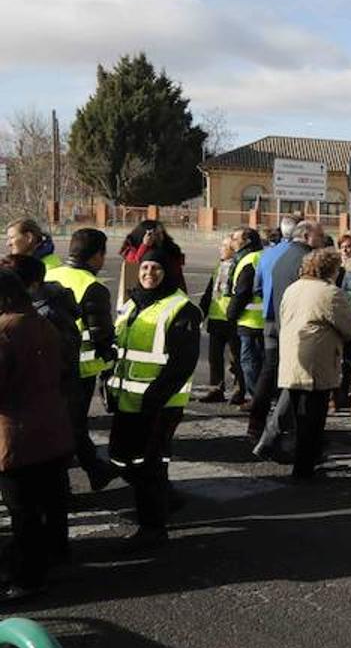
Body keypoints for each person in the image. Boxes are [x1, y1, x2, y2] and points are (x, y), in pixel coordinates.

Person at [107, 247, 202, 548]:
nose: (149, 273)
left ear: (169, 272)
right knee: (121, 458)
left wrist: (155, 397)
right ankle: (165, 499)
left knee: (149, 466)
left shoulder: (181, 308)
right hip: (126, 401)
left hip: (160, 405)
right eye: (145, 267)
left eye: (157, 269)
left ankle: (153, 527)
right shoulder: (132, 303)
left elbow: (183, 363)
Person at [0, 267, 73, 601]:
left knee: (23, 512)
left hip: (16, 435)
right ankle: (53, 563)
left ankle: (28, 579)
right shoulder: (44, 324)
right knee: (49, 504)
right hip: (52, 428)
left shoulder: (5, 330)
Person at [44, 229, 118, 490]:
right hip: (79, 369)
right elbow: (101, 334)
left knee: (58, 424)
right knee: (72, 425)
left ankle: (94, 469)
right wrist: (111, 356)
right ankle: (65, 484)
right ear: (97, 255)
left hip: (44, 363)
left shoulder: (49, 275)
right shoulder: (91, 286)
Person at [278, 250, 351, 479]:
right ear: (331, 270)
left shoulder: (293, 288)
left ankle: (303, 464)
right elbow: (350, 327)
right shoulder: (329, 293)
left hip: (293, 358)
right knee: (313, 420)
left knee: (300, 416)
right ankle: (304, 469)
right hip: (317, 361)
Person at [251, 220, 324, 437]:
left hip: (272, 320)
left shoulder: (277, 254)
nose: (322, 240)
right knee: (295, 381)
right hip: (295, 327)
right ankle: (279, 432)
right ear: (308, 236)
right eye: (319, 236)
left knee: (270, 371)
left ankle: (257, 422)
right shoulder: (306, 259)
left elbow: (258, 287)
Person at [197, 234, 243, 404]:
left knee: (235, 358)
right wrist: (201, 312)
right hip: (216, 318)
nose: (220, 248)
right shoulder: (219, 266)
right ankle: (216, 388)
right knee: (214, 357)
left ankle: (239, 389)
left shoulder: (238, 266)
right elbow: (210, 292)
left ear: (232, 249)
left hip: (231, 318)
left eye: (224, 246)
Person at [226, 227, 266, 411]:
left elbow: (242, 291)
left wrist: (231, 313)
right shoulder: (261, 256)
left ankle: (255, 399)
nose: (232, 241)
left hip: (251, 320)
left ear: (247, 241)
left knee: (249, 362)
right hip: (261, 319)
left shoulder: (249, 260)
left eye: (235, 238)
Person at [115, 220, 186, 308]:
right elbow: (133, 267)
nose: (160, 237)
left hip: (168, 295)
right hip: (141, 298)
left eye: (161, 233)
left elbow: (177, 274)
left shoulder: (170, 249)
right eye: (155, 234)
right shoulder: (134, 248)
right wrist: (144, 246)